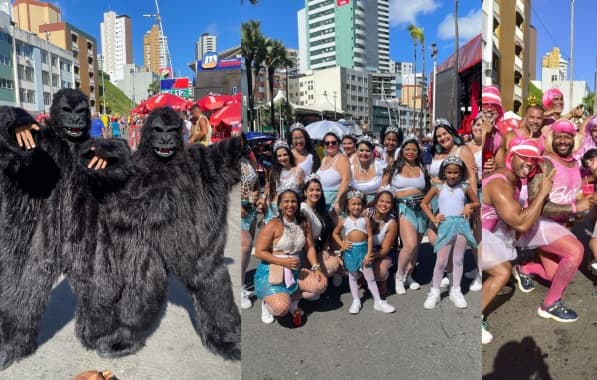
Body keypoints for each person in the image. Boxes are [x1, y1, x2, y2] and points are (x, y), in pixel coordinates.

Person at [515, 119, 597, 323]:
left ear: (573, 139)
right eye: (558, 136)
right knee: (576, 251)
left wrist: (576, 209)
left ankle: (524, 268)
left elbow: (576, 190)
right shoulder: (544, 163)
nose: (563, 140)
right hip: (540, 225)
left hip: (561, 227)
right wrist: (576, 207)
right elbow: (537, 204)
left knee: (555, 276)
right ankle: (550, 304)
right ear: (551, 139)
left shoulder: (577, 165)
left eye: (567, 136)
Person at [481, 138, 554, 344]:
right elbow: (521, 223)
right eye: (524, 157)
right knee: (502, 271)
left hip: (487, 232)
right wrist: (542, 194)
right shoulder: (500, 183)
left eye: (533, 160)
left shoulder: (514, 179)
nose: (529, 163)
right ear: (511, 157)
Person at [254, 188, 322, 324]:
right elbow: (259, 252)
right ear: (279, 204)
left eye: (293, 201)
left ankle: (292, 301)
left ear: (298, 204)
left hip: (294, 271)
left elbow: (309, 247)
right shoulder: (273, 224)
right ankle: (268, 305)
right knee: (281, 309)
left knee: (320, 285)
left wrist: (316, 267)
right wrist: (282, 262)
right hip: (272, 273)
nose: (290, 205)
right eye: (286, 201)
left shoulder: (304, 223)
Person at [421, 157, 480, 309]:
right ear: (444, 172)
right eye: (449, 172)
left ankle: (456, 290)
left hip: (461, 225)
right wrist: (433, 218)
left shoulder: (465, 187)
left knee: (458, 259)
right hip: (445, 225)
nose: (453, 175)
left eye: (456, 172)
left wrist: (469, 206)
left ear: (461, 173)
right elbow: (424, 203)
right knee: (441, 261)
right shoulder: (438, 187)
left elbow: (477, 202)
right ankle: (434, 291)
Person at [332, 189, 395, 314]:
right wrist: (342, 245)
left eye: (359, 204)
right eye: (353, 204)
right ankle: (356, 300)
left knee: (370, 277)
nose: (356, 207)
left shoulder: (365, 220)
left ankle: (378, 301)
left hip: (364, 250)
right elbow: (335, 233)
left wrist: (369, 253)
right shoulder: (344, 220)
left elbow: (370, 237)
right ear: (348, 206)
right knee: (353, 276)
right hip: (350, 252)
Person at [382, 138, 429, 294]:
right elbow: (383, 187)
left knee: (416, 247)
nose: (410, 152)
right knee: (410, 245)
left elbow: (428, 188)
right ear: (402, 151)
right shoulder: (393, 167)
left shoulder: (422, 167)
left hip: (421, 209)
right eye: (407, 149)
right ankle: (399, 276)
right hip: (403, 208)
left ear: (418, 152)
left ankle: (409, 275)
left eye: (414, 150)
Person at [300, 174, 342, 286]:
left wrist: (324, 249)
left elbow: (327, 231)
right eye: (311, 190)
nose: (315, 193)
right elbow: (306, 242)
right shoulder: (303, 209)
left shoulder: (318, 208)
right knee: (317, 289)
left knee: (333, 264)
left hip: (316, 246)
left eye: (318, 190)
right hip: (304, 250)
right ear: (305, 192)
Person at [366, 187, 398, 297]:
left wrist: (371, 256)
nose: (384, 205)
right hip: (364, 250)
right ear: (375, 202)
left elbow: (385, 250)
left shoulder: (392, 223)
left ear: (392, 205)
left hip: (383, 253)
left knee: (380, 271)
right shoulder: (366, 214)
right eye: (381, 201)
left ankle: (382, 280)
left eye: (388, 202)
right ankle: (363, 279)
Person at [263, 140, 305, 223]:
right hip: (274, 209)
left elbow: (302, 191)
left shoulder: (298, 170)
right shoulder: (273, 171)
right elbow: (268, 188)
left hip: (291, 210)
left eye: (285, 154)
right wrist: (264, 200)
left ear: (289, 155)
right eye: (279, 156)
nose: (282, 158)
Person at [241, 133, 260, 309]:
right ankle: (239, 288)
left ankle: (240, 279)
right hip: (236, 210)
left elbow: (256, 182)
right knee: (245, 245)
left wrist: (257, 194)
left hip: (251, 209)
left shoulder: (247, 158)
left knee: (244, 252)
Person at [316, 132, 351, 216]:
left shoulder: (341, 158)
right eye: (327, 143)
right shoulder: (324, 159)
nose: (330, 145)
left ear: (338, 144)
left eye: (333, 142)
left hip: (333, 202)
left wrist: (337, 201)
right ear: (324, 145)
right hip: (321, 201)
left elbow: (346, 181)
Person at [350, 136, 385, 205]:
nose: (364, 153)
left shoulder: (380, 166)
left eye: (367, 151)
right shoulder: (350, 169)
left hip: (377, 204)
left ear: (372, 152)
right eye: (361, 150)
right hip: (356, 205)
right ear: (356, 151)